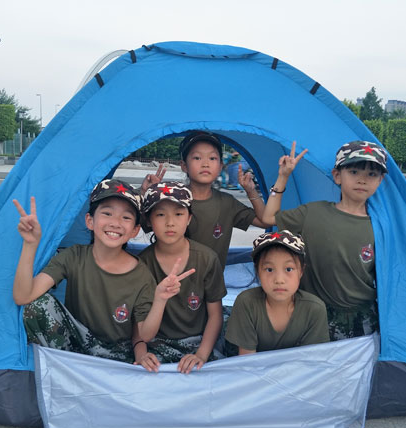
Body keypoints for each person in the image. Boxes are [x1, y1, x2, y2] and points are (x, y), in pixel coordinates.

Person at [12, 179, 194, 372]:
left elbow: (144, 335)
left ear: (135, 230)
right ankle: (63, 370)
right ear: (90, 221)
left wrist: (160, 300)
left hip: (118, 354)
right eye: (107, 213)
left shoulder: (141, 275)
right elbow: (24, 297)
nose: (115, 223)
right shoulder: (73, 256)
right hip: (75, 347)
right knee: (37, 304)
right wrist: (30, 245)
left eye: (126, 217)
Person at [261, 140, 388, 340]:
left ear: (380, 180)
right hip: (313, 314)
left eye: (371, 174)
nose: (362, 180)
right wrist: (283, 176)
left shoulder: (382, 227)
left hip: (362, 319)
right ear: (337, 176)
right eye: (354, 172)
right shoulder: (313, 213)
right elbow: (269, 218)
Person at [143, 131, 269, 268]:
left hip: (212, 279)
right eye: (197, 158)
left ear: (220, 166)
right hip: (172, 278)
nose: (205, 164)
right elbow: (138, 224)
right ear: (184, 165)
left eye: (212, 158)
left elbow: (264, 221)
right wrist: (145, 194)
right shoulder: (170, 199)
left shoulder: (227, 202)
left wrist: (251, 191)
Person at [138, 181, 226, 373]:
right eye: (160, 215)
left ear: (189, 218)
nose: (170, 222)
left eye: (178, 214)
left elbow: (215, 315)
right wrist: (141, 354)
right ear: (149, 220)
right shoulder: (142, 263)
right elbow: (139, 323)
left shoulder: (206, 259)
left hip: (199, 339)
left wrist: (201, 355)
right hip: (157, 343)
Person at [225, 230, 329, 354]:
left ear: (301, 271)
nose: (279, 280)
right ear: (257, 272)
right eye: (269, 269)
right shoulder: (247, 303)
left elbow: (311, 359)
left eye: (289, 269)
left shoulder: (314, 309)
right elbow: (247, 360)